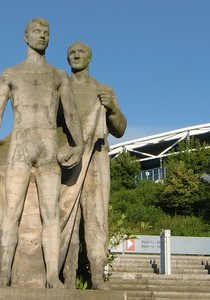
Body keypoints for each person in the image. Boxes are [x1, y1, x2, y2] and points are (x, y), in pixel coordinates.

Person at [0, 17, 83, 287]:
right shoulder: (10, 73)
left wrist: (80, 144)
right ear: (25, 37)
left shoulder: (59, 75)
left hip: (48, 144)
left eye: (46, 33)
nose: (42, 36)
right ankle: (5, 273)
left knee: (51, 215)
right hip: (20, 146)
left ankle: (52, 275)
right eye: (37, 32)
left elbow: (71, 114)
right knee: (10, 213)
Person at [59, 41, 126, 290]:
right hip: (69, 159)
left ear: (90, 57)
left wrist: (113, 109)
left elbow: (119, 130)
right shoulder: (60, 87)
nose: (76, 56)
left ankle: (97, 275)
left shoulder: (103, 90)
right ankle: (67, 276)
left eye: (81, 53)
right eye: (72, 53)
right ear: (67, 59)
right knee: (67, 216)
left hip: (97, 158)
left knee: (96, 216)